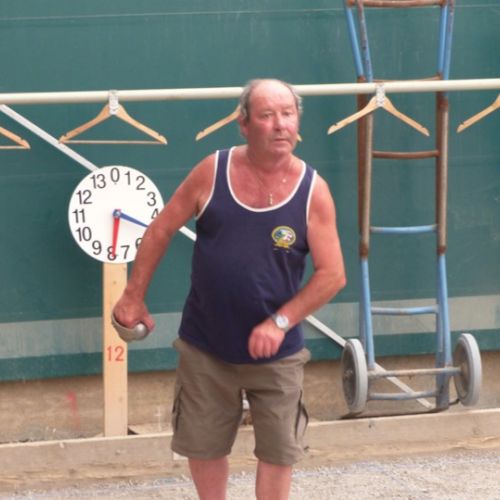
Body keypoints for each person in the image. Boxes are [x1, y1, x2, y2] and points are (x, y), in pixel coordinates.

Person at [112, 78, 346, 500]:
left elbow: (332, 275)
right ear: (244, 124)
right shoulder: (212, 171)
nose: (280, 124)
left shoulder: (314, 191)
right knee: (203, 445)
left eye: (288, 114)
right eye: (267, 115)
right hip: (207, 345)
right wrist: (133, 294)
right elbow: (161, 229)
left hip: (278, 354)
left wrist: (280, 322)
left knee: (279, 451)